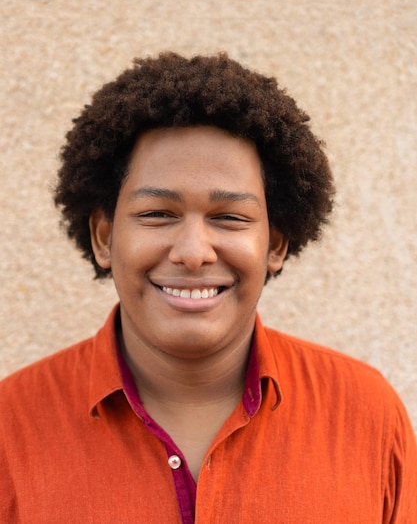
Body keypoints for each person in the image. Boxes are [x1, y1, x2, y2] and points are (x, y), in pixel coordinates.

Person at [0, 53, 416, 524]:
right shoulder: (9, 430)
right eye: (158, 213)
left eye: (229, 218)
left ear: (274, 244)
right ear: (104, 237)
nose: (193, 252)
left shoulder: (367, 416)